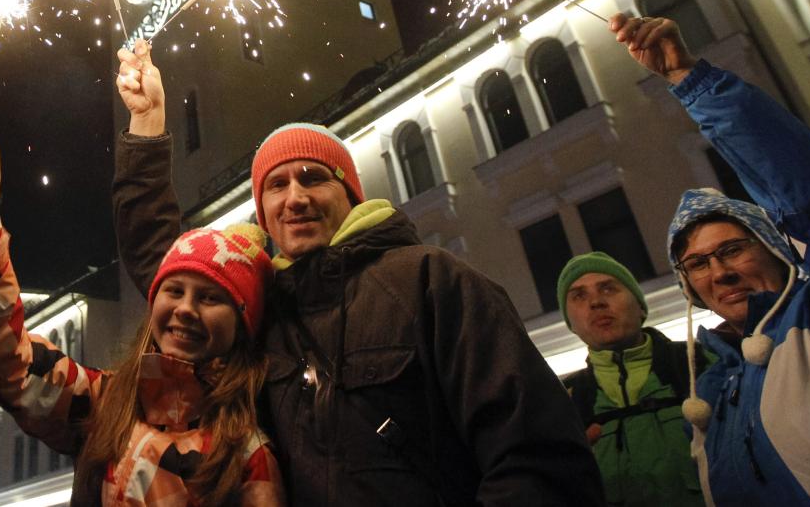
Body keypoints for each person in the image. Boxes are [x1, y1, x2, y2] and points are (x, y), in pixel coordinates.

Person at [112, 41, 604, 506]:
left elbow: (536, 453)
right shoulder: (263, 309)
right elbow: (168, 265)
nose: (295, 198)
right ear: (263, 213)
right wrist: (148, 125)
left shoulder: (431, 280)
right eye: (276, 185)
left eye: (313, 178)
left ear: (350, 194)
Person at [0, 116, 286, 506]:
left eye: (210, 298)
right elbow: (6, 362)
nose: (185, 309)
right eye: (174, 290)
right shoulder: (103, 402)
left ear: (242, 321)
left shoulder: (249, 456)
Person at [611, 13, 810, 506]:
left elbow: (803, 190)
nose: (720, 273)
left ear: (774, 248)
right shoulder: (714, 388)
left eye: (732, 249)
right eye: (697, 264)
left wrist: (690, 80)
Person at [557, 252, 708, 505]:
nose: (596, 302)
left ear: (640, 306)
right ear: (570, 323)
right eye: (578, 296)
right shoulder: (559, 403)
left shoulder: (703, 363)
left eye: (608, 288)